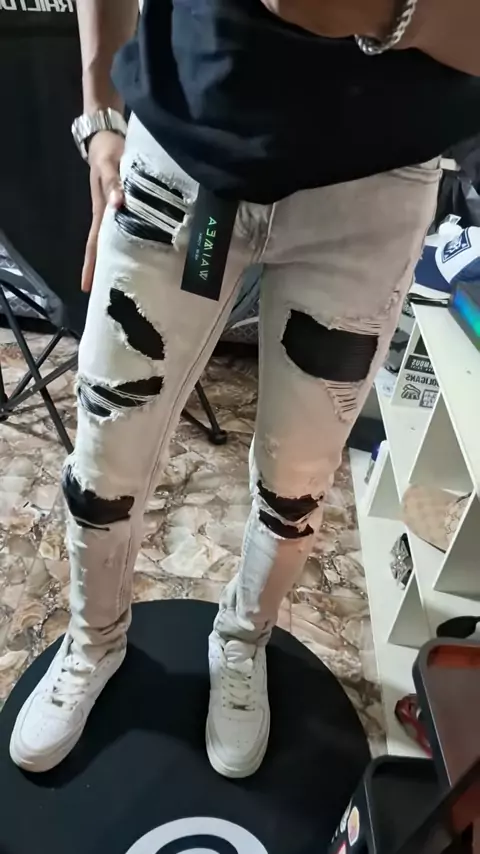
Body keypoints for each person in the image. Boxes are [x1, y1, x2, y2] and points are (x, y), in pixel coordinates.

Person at [9, 0, 480, 777]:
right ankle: (94, 640)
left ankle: (241, 638)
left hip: (374, 185)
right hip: (182, 142)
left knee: (297, 486)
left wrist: (385, 15)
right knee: (102, 464)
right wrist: (99, 113)